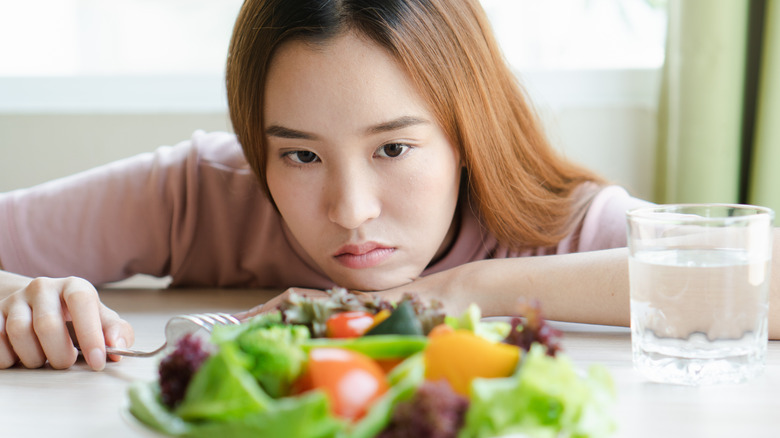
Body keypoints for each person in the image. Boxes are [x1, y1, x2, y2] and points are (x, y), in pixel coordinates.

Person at [0, 0, 774, 372]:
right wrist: (12, 297)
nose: (350, 209)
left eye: (395, 147)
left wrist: (462, 290)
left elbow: (761, 282)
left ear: (468, 134)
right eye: (300, 156)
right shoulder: (207, 188)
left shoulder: (555, 225)